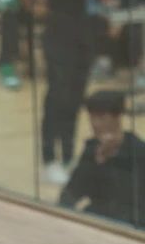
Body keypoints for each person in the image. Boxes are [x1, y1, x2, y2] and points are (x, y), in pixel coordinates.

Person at [13, 0, 98, 186]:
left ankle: (69, 156)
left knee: (75, 96)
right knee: (57, 95)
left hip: (84, 30)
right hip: (59, 30)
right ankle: (50, 159)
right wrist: (32, 4)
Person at [59, 90, 145, 224]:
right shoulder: (91, 149)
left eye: (101, 117)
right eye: (91, 117)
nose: (95, 123)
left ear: (117, 117)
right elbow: (71, 193)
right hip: (97, 221)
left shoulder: (138, 151)